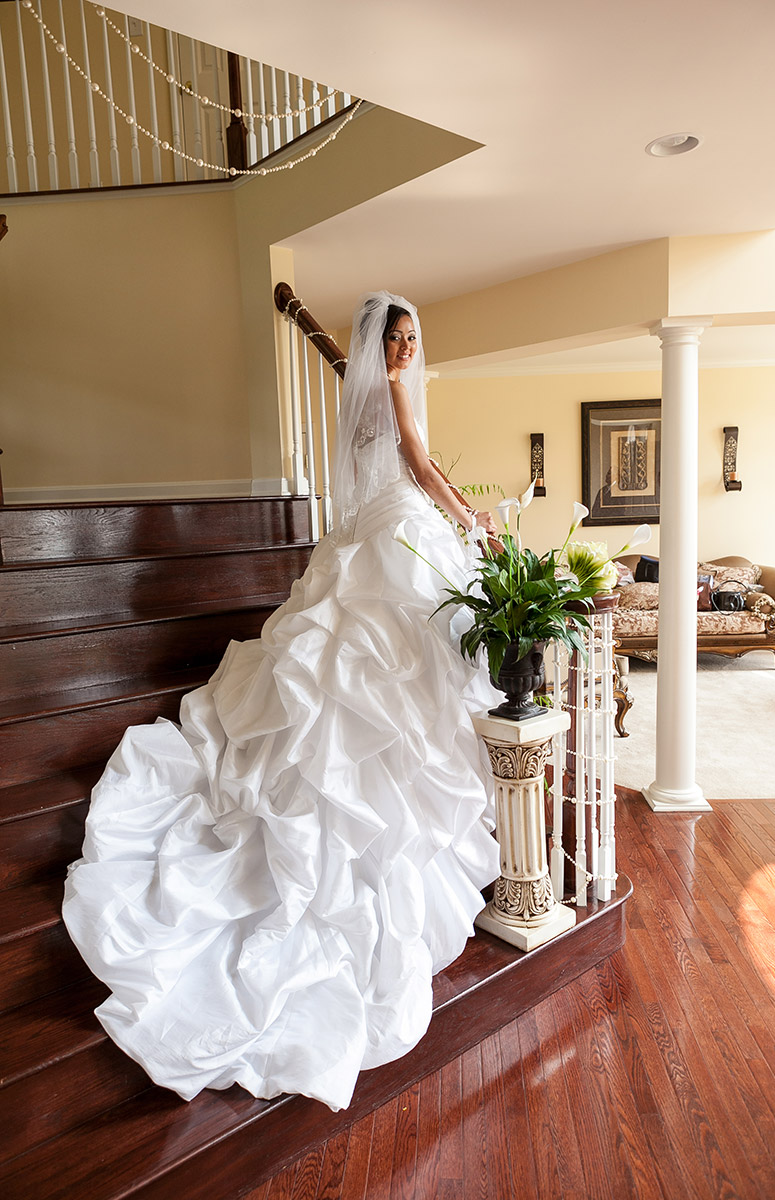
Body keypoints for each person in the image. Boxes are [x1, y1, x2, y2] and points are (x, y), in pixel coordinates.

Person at [63, 291, 501, 1113]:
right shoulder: (393, 395)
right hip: (396, 535)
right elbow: (415, 457)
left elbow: (417, 465)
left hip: (390, 535)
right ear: (379, 348)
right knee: (369, 690)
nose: (406, 350)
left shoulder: (376, 391)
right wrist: (465, 514)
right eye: (396, 339)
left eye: (411, 338)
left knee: (380, 691)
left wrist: (460, 510)